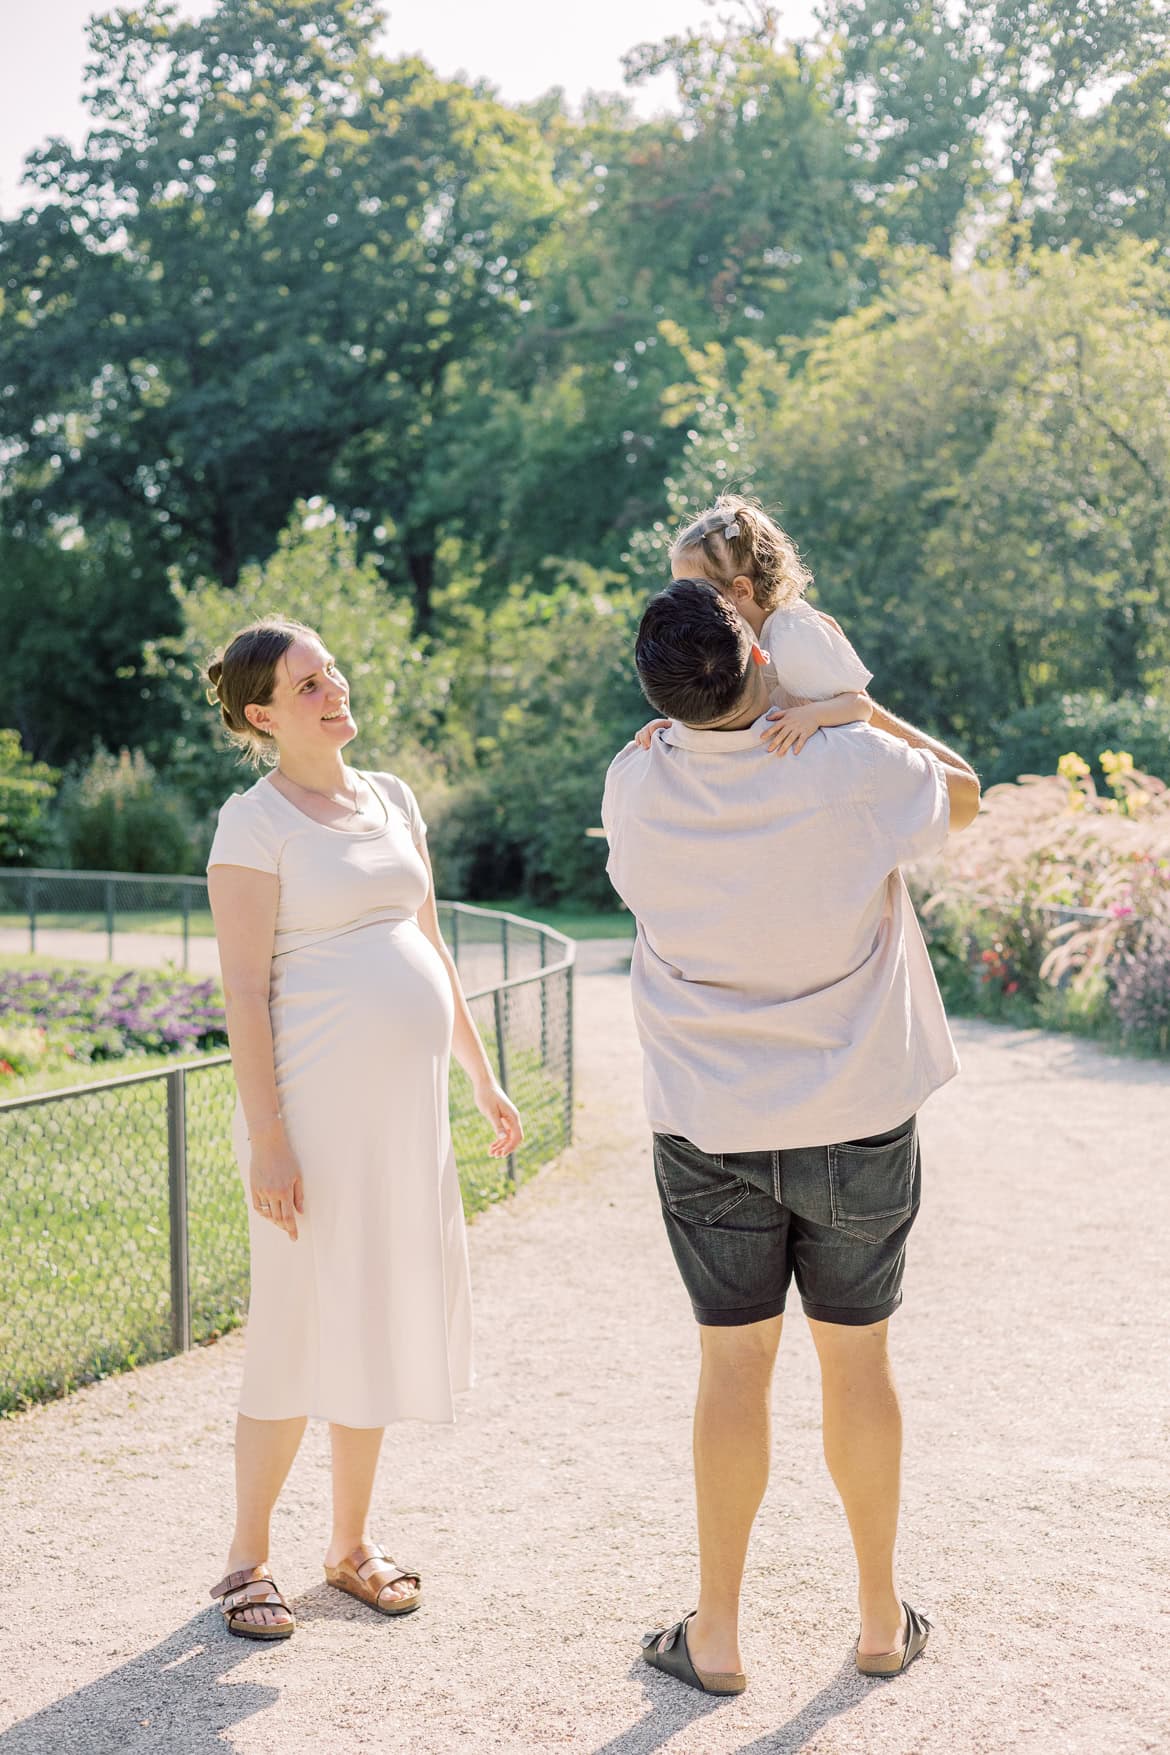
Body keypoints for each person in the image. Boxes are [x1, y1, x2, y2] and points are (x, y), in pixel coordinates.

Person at [601, 578, 980, 1694]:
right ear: (761, 663)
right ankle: (875, 1620)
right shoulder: (852, 770)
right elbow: (964, 797)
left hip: (709, 1124)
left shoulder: (633, 784)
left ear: (658, 700)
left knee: (732, 1368)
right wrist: (852, 705)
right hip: (855, 1117)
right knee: (856, 1362)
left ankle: (716, 1634)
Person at [203, 616, 522, 1640]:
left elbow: (426, 941)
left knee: (377, 1313)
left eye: (331, 672)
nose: (333, 690)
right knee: (298, 1320)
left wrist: (480, 1077)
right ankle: (246, 1561)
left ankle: (347, 1547)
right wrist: (270, 1137)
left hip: (404, 1116)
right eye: (307, 685)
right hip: (314, 1113)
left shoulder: (391, 798)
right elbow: (245, 993)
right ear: (263, 714)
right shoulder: (253, 825)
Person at [634, 493, 874, 759]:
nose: (687, 600)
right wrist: (675, 728)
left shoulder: (793, 634)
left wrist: (813, 716)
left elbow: (860, 706)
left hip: (822, 758)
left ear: (741, 589)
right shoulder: (721, 644)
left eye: (697, 588)